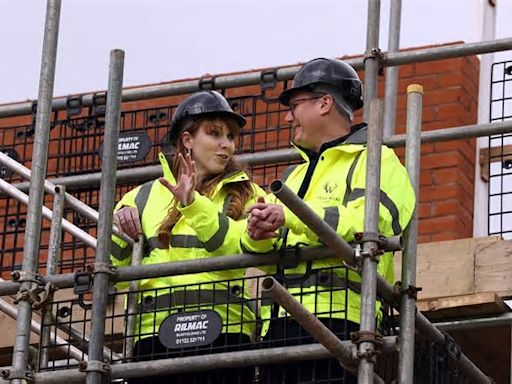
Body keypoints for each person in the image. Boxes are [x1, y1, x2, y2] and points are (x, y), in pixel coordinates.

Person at [245, 58, 415, 384]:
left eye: (295, 105)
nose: (287, 116)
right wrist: (259, 233)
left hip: (342, 321)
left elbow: (372, 225)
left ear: (324, 103)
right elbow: (274, 251)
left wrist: (291, 217)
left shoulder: (375, 159)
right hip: (280, 323)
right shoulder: (294, 175)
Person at [110, 90, 272, 384]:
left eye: (230, 136)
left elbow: (236, 250)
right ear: (187, 140)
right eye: (214, 133)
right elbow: (112, 269)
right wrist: (118, 227)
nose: (226, 145)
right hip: (154, 338)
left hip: (226, 333)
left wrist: (192, 203)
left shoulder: (252, 194)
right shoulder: (141, 197)